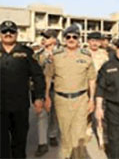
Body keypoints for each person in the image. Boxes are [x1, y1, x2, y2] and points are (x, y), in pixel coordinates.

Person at [45, 24, 96, 159]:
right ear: (64, 39)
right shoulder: (56, 56)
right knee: (66, 136)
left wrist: (92, 100)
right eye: (68, 37)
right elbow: (48, 76)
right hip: (61, 100)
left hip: (81, 100)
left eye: (74, 36)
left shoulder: (86, 56)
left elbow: (92, 79)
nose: (71, 39)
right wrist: (46, 97)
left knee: (79, 135)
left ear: (79, 39)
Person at [0, 20, 45, 158]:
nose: (8, 34)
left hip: (20, 105)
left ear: (17, 34)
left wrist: (38, 97)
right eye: (5, 31)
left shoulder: (26, 52)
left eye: (12, 31)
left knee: (19, 142)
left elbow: (37, 76)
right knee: (1, 144)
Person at [33, 30, 60, 157]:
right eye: (43, 37)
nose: (44, 39)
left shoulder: (62, 52)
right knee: (42, 114)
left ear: (54, 39)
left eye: (47, 37)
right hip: (42, 87)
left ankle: (53, 135)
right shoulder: (38, 54)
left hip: (58, 86)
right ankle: (42, 143)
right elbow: (34, 69)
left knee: (55, 113)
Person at [87, 32, 109, 149]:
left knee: (100, 112)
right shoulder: (83, 53)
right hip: (85, 87)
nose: (94, 43)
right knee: (87, 111)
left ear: (100, 42)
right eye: (92, 40)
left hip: (100, 87)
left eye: (97, 40)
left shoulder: (104, 54)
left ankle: (102, 138)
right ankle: (88, 129)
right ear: (88, 41)